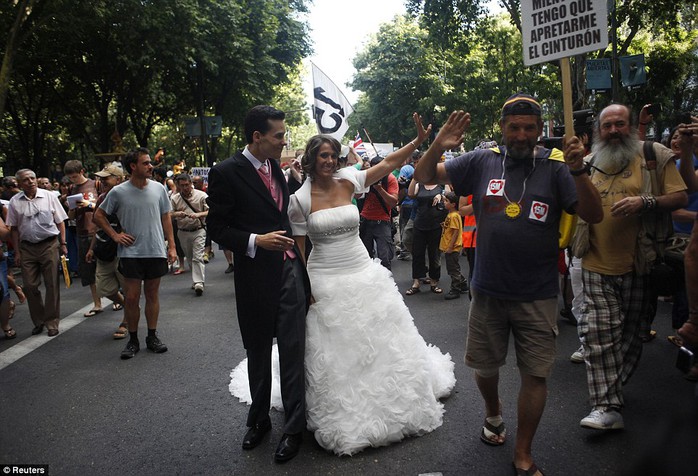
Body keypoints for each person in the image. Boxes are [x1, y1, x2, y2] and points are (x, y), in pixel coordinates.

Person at [230, 113, 455, 457]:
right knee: (333, 350)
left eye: (334, 155)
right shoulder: (299, 199)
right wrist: (306, 288)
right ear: (310, 160)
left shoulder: (351, 179)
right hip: (324, 277)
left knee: (381, 341)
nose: (330, 161)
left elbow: (390, 163)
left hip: (363, 271)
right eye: (323, 155)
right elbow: (301, 249)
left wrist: (418, 142)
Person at [414, 93, 603, 476]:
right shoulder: (481, 161)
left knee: (535, 374)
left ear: (538, 131)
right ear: (502, 128)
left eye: (528, 128)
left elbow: (594, 213)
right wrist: (437, 145)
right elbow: (423, 177)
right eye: (513, 127)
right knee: (484, 367)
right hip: (487, 290)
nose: (520, 134)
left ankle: (523, 451)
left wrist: (579, 170)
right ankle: (493, 414)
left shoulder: (556, 169)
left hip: (537, 294)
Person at [206, 105, 310, 463]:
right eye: (279, 136)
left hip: (290, 272)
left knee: (294, 352)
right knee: (259, 352)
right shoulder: (226, 172)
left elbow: (279, 210)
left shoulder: (277, 170)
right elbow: (216, 229)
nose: (285, 141)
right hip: (254, 278)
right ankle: (259, 419)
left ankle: (294, 428)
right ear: (257, 137)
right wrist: (255, 241)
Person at [575, 104, 687, 430]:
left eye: (619, 124)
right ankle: (605, 406)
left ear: (630, 125)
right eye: (606, 125)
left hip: (641, 263)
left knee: (634, 334)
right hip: (594, 261)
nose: (613, 130)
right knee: (597, 334)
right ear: (599, 129)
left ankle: (610, 386)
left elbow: (680, 197)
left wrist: (646, 202)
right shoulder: (587, 163)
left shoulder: (654, 154)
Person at [94, 147, 177, 360]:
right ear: (133, 166)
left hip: (155, 250)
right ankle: (133, 340)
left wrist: (172, 246)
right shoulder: (118, 191)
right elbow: (99, 216)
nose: (151, 166)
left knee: (152, 295)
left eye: (150, 163)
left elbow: (166, 217)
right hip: (130, 252)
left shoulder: (158, 188)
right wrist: (115, 235)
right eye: (146, 163)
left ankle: (152, 336)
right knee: (131, 298)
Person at [7, 169, 69, 337]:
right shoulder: (14, 201)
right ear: (20, 184)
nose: (31, 182)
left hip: (49, 244)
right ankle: (39, 320)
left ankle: (52, 322)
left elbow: (61, 221)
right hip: (27, 247)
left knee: (52, 284)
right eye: (26, 180)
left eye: (33, 178)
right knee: (29, 285)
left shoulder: (49, 196)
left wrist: (62, 243)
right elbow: (13, 229)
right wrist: (17, 252)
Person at [85, 164, 127, 338]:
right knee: (105, 289)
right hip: (104, 250)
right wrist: (91, 248)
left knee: (128, 287)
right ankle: (130, 306)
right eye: (100, 179)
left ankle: (127, 321)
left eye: (106, 178)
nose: (102, 182)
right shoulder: (102, 198)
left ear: (118, 180)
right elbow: (98, 226)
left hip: (124, 250)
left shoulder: (128, 197)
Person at [63, 160, 103, 317]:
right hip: (82, 231)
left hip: (98, 230)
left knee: (106, 266)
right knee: (88, 270)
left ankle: (116, 298)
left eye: (75, 176)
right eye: (70, 177)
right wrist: (72, 208)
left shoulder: (96, 185)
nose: (73, 180)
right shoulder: (72, 189)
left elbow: (104, 206)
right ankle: (97, 303)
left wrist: (88, 203)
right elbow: (70, 215)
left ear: (82, 171)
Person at [170, 173, 208, 296]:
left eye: (187, 185)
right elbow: (169, 214)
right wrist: (177, 214)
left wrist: (198, 215)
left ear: (191, 183)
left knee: (198, 256)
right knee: (190, 257)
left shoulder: (202, 196)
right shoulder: (174, 199)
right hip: (183, 231)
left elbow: (210, 210)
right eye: (182, 185)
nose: (185, 188)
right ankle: (196, 278)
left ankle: (199, 282)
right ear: (178, 186)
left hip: (198, 229)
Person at [358, 155, 399, 270]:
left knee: (384, 257)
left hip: (382, 221)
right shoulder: (366, 177)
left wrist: (380, 189)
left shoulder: (390, 178)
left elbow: (393, 202)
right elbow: (356, 195)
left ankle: (387, 284)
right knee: (365, 257)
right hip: (366, 220)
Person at [440, 191, 467, 300]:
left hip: (452, 247)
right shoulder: (451, 215)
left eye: (446, 201)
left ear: (453, 204)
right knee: (453, 267)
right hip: (448, 246)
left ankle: (455, 289)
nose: (444, 203)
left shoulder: (454, 216)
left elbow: (456, 232)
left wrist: (450, 247)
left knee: (453, 269)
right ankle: (463, 283)